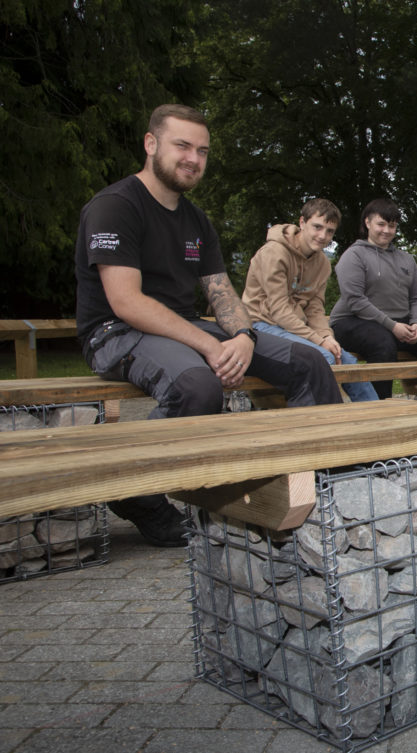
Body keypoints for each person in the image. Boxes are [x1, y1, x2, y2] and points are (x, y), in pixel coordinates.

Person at [74, 104, 342, 547]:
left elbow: (221, 293)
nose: (193, 159)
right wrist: (210, 345)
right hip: (115, 331)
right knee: (199, 387)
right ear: (150, 143)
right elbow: (126, 302)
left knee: (308, 361)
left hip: (182, 326)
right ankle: (133, 489)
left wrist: (244, 336)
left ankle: (320, 484)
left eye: (202, 151)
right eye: (182, 145)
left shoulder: (196, 219)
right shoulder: (114, 207)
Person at [241, 198, 380, 403]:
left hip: (294, 328)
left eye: (330, 231)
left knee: (346, 360)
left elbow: (315, 309)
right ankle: (325, 418)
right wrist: (319, 341)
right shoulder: (274, 253)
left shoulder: (322, 263)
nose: (323, 236)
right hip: (261, 324)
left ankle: (374, 415)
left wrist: (327, 337)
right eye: (317, 227)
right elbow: (279, 310)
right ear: (302, 222)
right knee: (322, 357)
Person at [330, 198, 417, 399]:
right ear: (367, 223)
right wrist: (392, 326)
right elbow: (355, 300)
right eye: (381, 224)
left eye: (392, 226)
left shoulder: (406, 259)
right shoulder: (354, 256)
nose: (386, 230)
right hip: (351, 321)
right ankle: (379, 406)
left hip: (399, 323)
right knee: (382, 344)